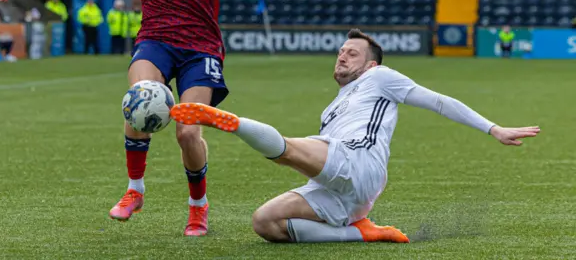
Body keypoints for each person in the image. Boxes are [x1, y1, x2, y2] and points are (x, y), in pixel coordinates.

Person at [0, 0, 267, 236]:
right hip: (155, 40)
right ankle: (135, 190)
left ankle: (198, 206)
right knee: (138, 101)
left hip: (200, 47)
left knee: (188, 133)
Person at [169, 29, 541, 244]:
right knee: (265, 223)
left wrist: (493, 128)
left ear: (371, 64)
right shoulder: (332, 108)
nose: (342, 57)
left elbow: (439, 102)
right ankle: (361, 233)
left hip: (359, 163)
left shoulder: (380, 78)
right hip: (343, 189)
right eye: (341, 52)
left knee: (288, 151)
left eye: (352, 53)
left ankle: (225, 120)